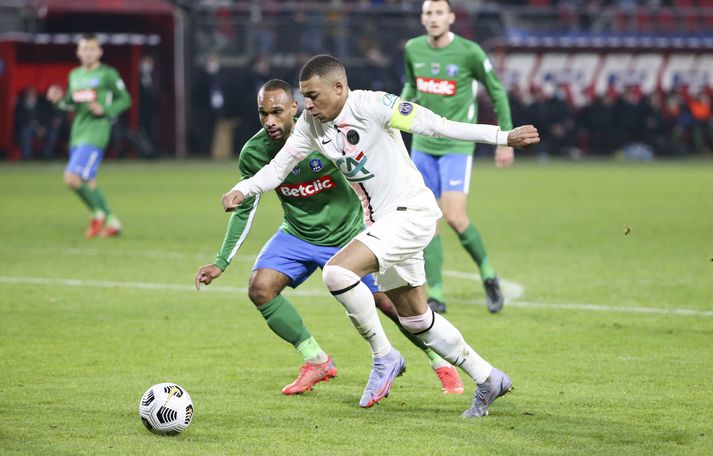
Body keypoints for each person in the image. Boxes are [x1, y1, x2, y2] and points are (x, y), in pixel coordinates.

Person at [222, 55, 538, 416]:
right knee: (416, 320)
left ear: (339, 87)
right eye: (304, 96)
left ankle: (384, 356)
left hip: (410, 213)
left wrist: (502, 137)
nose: (307, 104)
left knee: (337, 272)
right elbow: (278, 169)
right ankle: (488, 378)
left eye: (313, 96)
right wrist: (243, 189)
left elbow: (437, 126)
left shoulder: (373, 106)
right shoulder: (311, 124)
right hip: (383, 224)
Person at [195, 79, 464, 396]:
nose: (269, 121)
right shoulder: (254, 153)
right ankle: (316, 360)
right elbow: (245, 207)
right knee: (260, 288)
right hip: (298, 233)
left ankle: (440, 362)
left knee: (392, 302)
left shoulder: (325, 135)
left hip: (348, 233)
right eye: (263, 113)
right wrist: (221, 262)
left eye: (277, 112)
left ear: (294, 108)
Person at [400, 0, 514, 314]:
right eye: (428, 13)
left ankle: (488, 274)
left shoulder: (469, 52)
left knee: (455, 217)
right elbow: (411, 85)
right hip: (423, 145)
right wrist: (395, 110)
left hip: (456, 147)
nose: (433, 18)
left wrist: (505, 139)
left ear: (451, 17)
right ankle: (436, 294)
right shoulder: (413, 49)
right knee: (428, 221)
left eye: (439, 13)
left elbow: (496, 90)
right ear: (422, 18)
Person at [47, 34, 131, 238]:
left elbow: (125, 99)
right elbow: (71, 104)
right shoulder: (75, 75)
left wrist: (106, 110)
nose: (88, 53)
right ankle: (113, 222)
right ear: (78, 52)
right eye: (84, 49)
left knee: (71, 178)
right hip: (78, 133)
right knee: (88, 180)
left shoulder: (107, 74)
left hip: (96, 132)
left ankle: (97, 213)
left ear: (100, 52)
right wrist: (58, 101)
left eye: (92, 49)